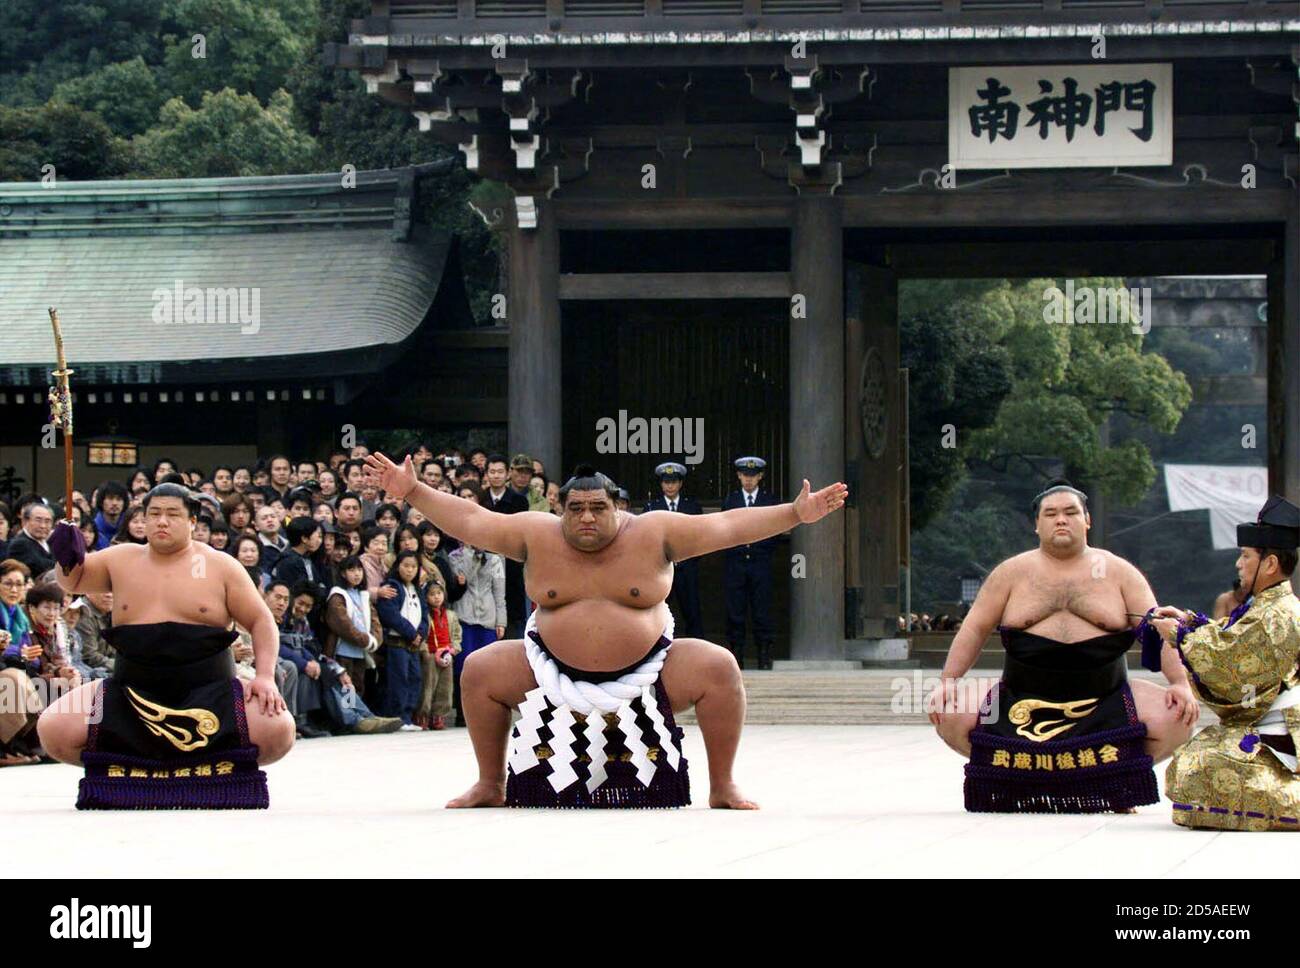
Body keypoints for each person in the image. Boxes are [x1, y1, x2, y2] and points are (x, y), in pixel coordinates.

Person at [363, 452, 846, 809]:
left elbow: (727, 526)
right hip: (548, 673)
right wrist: (412, 491)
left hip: (650, 676)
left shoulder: (656, 532)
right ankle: (491, 782)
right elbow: (473, 519)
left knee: (718, 667)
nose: (587, 518)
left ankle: (723, 785)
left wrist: (794, 515)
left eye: (598, 507)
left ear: (619, 506)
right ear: (562, 509)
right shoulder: (536, 533)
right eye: (576, 509)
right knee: (482, 669)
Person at [928, 480, 1197, 814]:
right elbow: (974, 628)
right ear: (1036, 524)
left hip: (1106, 699)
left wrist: (1180, 683)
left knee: (1178, 717)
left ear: (1087, 521)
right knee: (949, 712)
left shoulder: (1118, 572)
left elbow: (1156, 629)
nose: (1061, 520)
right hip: (1020, 698)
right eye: (1050, 513)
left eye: (1071, 512)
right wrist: (948, 681)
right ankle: (1024, 781)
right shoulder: (1011, 573)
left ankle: (1106, 780)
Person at [37, 482, 295, 809]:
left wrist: (265, 676)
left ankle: (192, 769)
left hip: (210, 690)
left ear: (192, 522)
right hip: (130, 691)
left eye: (173, 514)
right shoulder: (120, 559)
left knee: (278, 730)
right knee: (53, 729)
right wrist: (66, 554)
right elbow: (73, 580)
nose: (162, 521)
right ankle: (137, 769)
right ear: (142, 519)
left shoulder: (220, 566)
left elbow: (262, 621)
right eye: (154, 514)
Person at [1146, 496, 1300, 830]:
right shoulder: (1265, 607)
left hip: (1281, 733)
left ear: (1270, 564)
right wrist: (1188, 622)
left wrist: (1181, 637)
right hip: (1265, 726)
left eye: (1246, 556)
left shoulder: (1277, 614)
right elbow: (1230, 638)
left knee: (1199, 766)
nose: (1238, 564)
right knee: (1191, 761)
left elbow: (1233, 662)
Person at [722, 456, 779, 669]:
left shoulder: (769, 500)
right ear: (738, 475)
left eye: (753, 476)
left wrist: (761, 549)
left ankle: (764, 654)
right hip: (736, 563)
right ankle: (737, 655)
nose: (748, 479)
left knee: (762, 609)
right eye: (745, 475)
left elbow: (775, 531)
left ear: (761, 476)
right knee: (735, 610)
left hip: (760, 562)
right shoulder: (732, 500)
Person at [644, 462, 704, 639]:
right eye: (666, 482)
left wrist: (689, 559)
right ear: (661, 484)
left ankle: (697, 653)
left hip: (687, 569)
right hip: (661, 570)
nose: (670, 485)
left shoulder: (692, 507)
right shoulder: (651, 508)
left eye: (673, 481)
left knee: (692, 612)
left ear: (680, 483)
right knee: (657, 613)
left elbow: (699, 538)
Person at [376, 551, 428, 730]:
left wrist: (421, 633)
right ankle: (395, 717)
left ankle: (407, 716)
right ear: (398, 566)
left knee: (415, 678)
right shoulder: (392, 586)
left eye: (414, 567)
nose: (410, 570)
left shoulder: (417, 589)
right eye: (406, 565)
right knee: (399, 680)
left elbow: (424, 615)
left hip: (413, 645)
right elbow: (390, 615)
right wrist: (411, 633)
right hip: (397, 642)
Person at [0, 559, 45, 765]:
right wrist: (19, 653)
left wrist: (29, 656)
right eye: (8, 583)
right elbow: (16, 652)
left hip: (13, 667)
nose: (14, 589)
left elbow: (30, 658)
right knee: (14, 679)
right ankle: (5, 749)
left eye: (19, 584)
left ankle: (20, 745)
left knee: (26, 678)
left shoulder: (21, 617)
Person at [323, 555, 382, 699]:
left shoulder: (363, 595)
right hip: (342, 650)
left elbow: (375, 621)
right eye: (352, 570)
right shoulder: (337, 595)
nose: (357, 574)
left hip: (361, 652)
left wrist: (375, 640)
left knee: (358, 686)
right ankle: (346, 720)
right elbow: (342, 624)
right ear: (343, 573)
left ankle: (356, 718)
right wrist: (365, 640)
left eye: (359, 570)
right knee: (345, 689)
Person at [417, 581, 461, 730]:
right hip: (430, 656)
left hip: (447, 656)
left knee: (445, 687)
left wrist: (453, 649)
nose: (436, 597)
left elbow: (456, 636)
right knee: (428, 686)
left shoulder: (451, 615)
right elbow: (421, 636)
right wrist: (425, 652)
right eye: (432, 594)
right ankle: (423, 715)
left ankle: (439, 716)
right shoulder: (424, 615)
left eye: (439, 593)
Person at [7, 500, 56, 578]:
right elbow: (41, 566)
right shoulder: (19, 544)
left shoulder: (49, 543)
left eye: (47, 521)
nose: (43, 526)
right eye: (38, 520)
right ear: (25, 521)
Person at [91, 481, 129, 550]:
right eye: (110, 498)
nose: (114, 503)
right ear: (101, 501)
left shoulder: (130, 526)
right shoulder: (93, 529)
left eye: (119, 499)